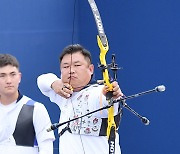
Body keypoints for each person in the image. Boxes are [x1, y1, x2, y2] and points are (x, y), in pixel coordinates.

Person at [37, 44, 123, 154]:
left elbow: (103, 101)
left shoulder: (96, 92)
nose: (71, 70)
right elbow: (41, 80)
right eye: (66, 66)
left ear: (91, 69)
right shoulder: (64, 94)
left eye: (77, 65)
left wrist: (110, 95)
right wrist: (55, 83)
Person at [0, 54, 55, 154]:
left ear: (19, 77)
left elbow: (46, 148)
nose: (8, 81)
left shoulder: (36, 109)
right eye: (2, 75)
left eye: (12, 74)